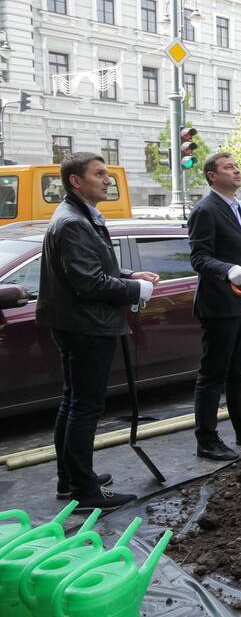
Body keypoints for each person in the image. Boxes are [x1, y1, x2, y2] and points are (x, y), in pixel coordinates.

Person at [37, 152, 158, 511]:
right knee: (84, 406)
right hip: (87, 326)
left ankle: (71, 477)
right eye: (100, 174)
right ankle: (84, 490)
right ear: (76, 181)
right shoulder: (73, 221)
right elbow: (88, 283)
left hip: (79, 324)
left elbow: (93, 269)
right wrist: (137, 291)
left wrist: (128, 276)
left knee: (73, 401)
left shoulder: (78, 215)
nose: (108, 180)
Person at [188, 152, 241, 461]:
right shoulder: (206, 210)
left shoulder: (237, 207)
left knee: (239, 371)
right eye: (228, 167)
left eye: (237, 166)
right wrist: (226, 270)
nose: (236, 171)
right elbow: (199, 257)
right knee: (212, 374)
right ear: (212, 176)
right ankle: (207, 439)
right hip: (219, 306)